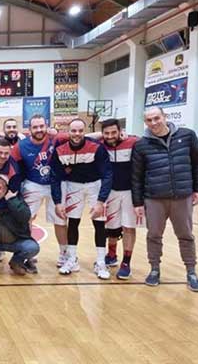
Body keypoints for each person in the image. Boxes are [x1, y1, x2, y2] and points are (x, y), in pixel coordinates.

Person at [131, 107, 198, 292]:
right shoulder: (141, 145)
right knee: (154, 236)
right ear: (145, 122)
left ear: (165, 117)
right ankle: (154, 269)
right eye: (149, 120)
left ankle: (191, 272)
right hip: (154, 198)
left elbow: (197, 163)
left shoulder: (187, 136)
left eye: (157, 118)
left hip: (182, 196)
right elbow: (136, 176)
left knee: (186, 235)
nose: (154, 123)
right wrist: (137, 202)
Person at [51, 118, 112, 279]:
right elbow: (55, 177)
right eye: (73, 131)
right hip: (73, 187)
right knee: (73, 223)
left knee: (99, 224)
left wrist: (101, 201)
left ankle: (101, 262)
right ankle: (72, 259)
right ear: (68, 132)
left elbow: (107, 175)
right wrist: (57, 202)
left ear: (84, 132)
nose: (77, 134)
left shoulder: (97, 148)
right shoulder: (60, 150)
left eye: (80, 131)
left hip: (95, 186)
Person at [11, 114, 69, 267]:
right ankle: (27, 253)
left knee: (60, 219)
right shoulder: (21, 146)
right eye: (35, 127)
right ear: (29, 129)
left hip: (56, 184)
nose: (39, 129)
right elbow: (11, 166)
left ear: (47, 126)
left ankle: (64, 254)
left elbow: (81, 136)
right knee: (26, 219)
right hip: (33, 184)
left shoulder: (56, 139)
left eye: (41, 126)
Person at [100, 119, 142, 280]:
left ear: (120, 131)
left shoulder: (132, 142)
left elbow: (145, 140)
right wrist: (100, 134)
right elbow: (85, 137)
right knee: (111, 227)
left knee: (129, 227)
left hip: (130, 192)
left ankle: (126, 262)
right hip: (110, 192)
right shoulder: (101, 145)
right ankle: (111, 255)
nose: (110, 136)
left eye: (114, 132)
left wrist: (129, 135)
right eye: (106, 133)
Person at [0, 177, 39, 277]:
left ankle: (16, 262)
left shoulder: (16, 200)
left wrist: (11, 201)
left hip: (16, 242)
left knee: (33, 247)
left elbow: (25, 217)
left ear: (5, 189)